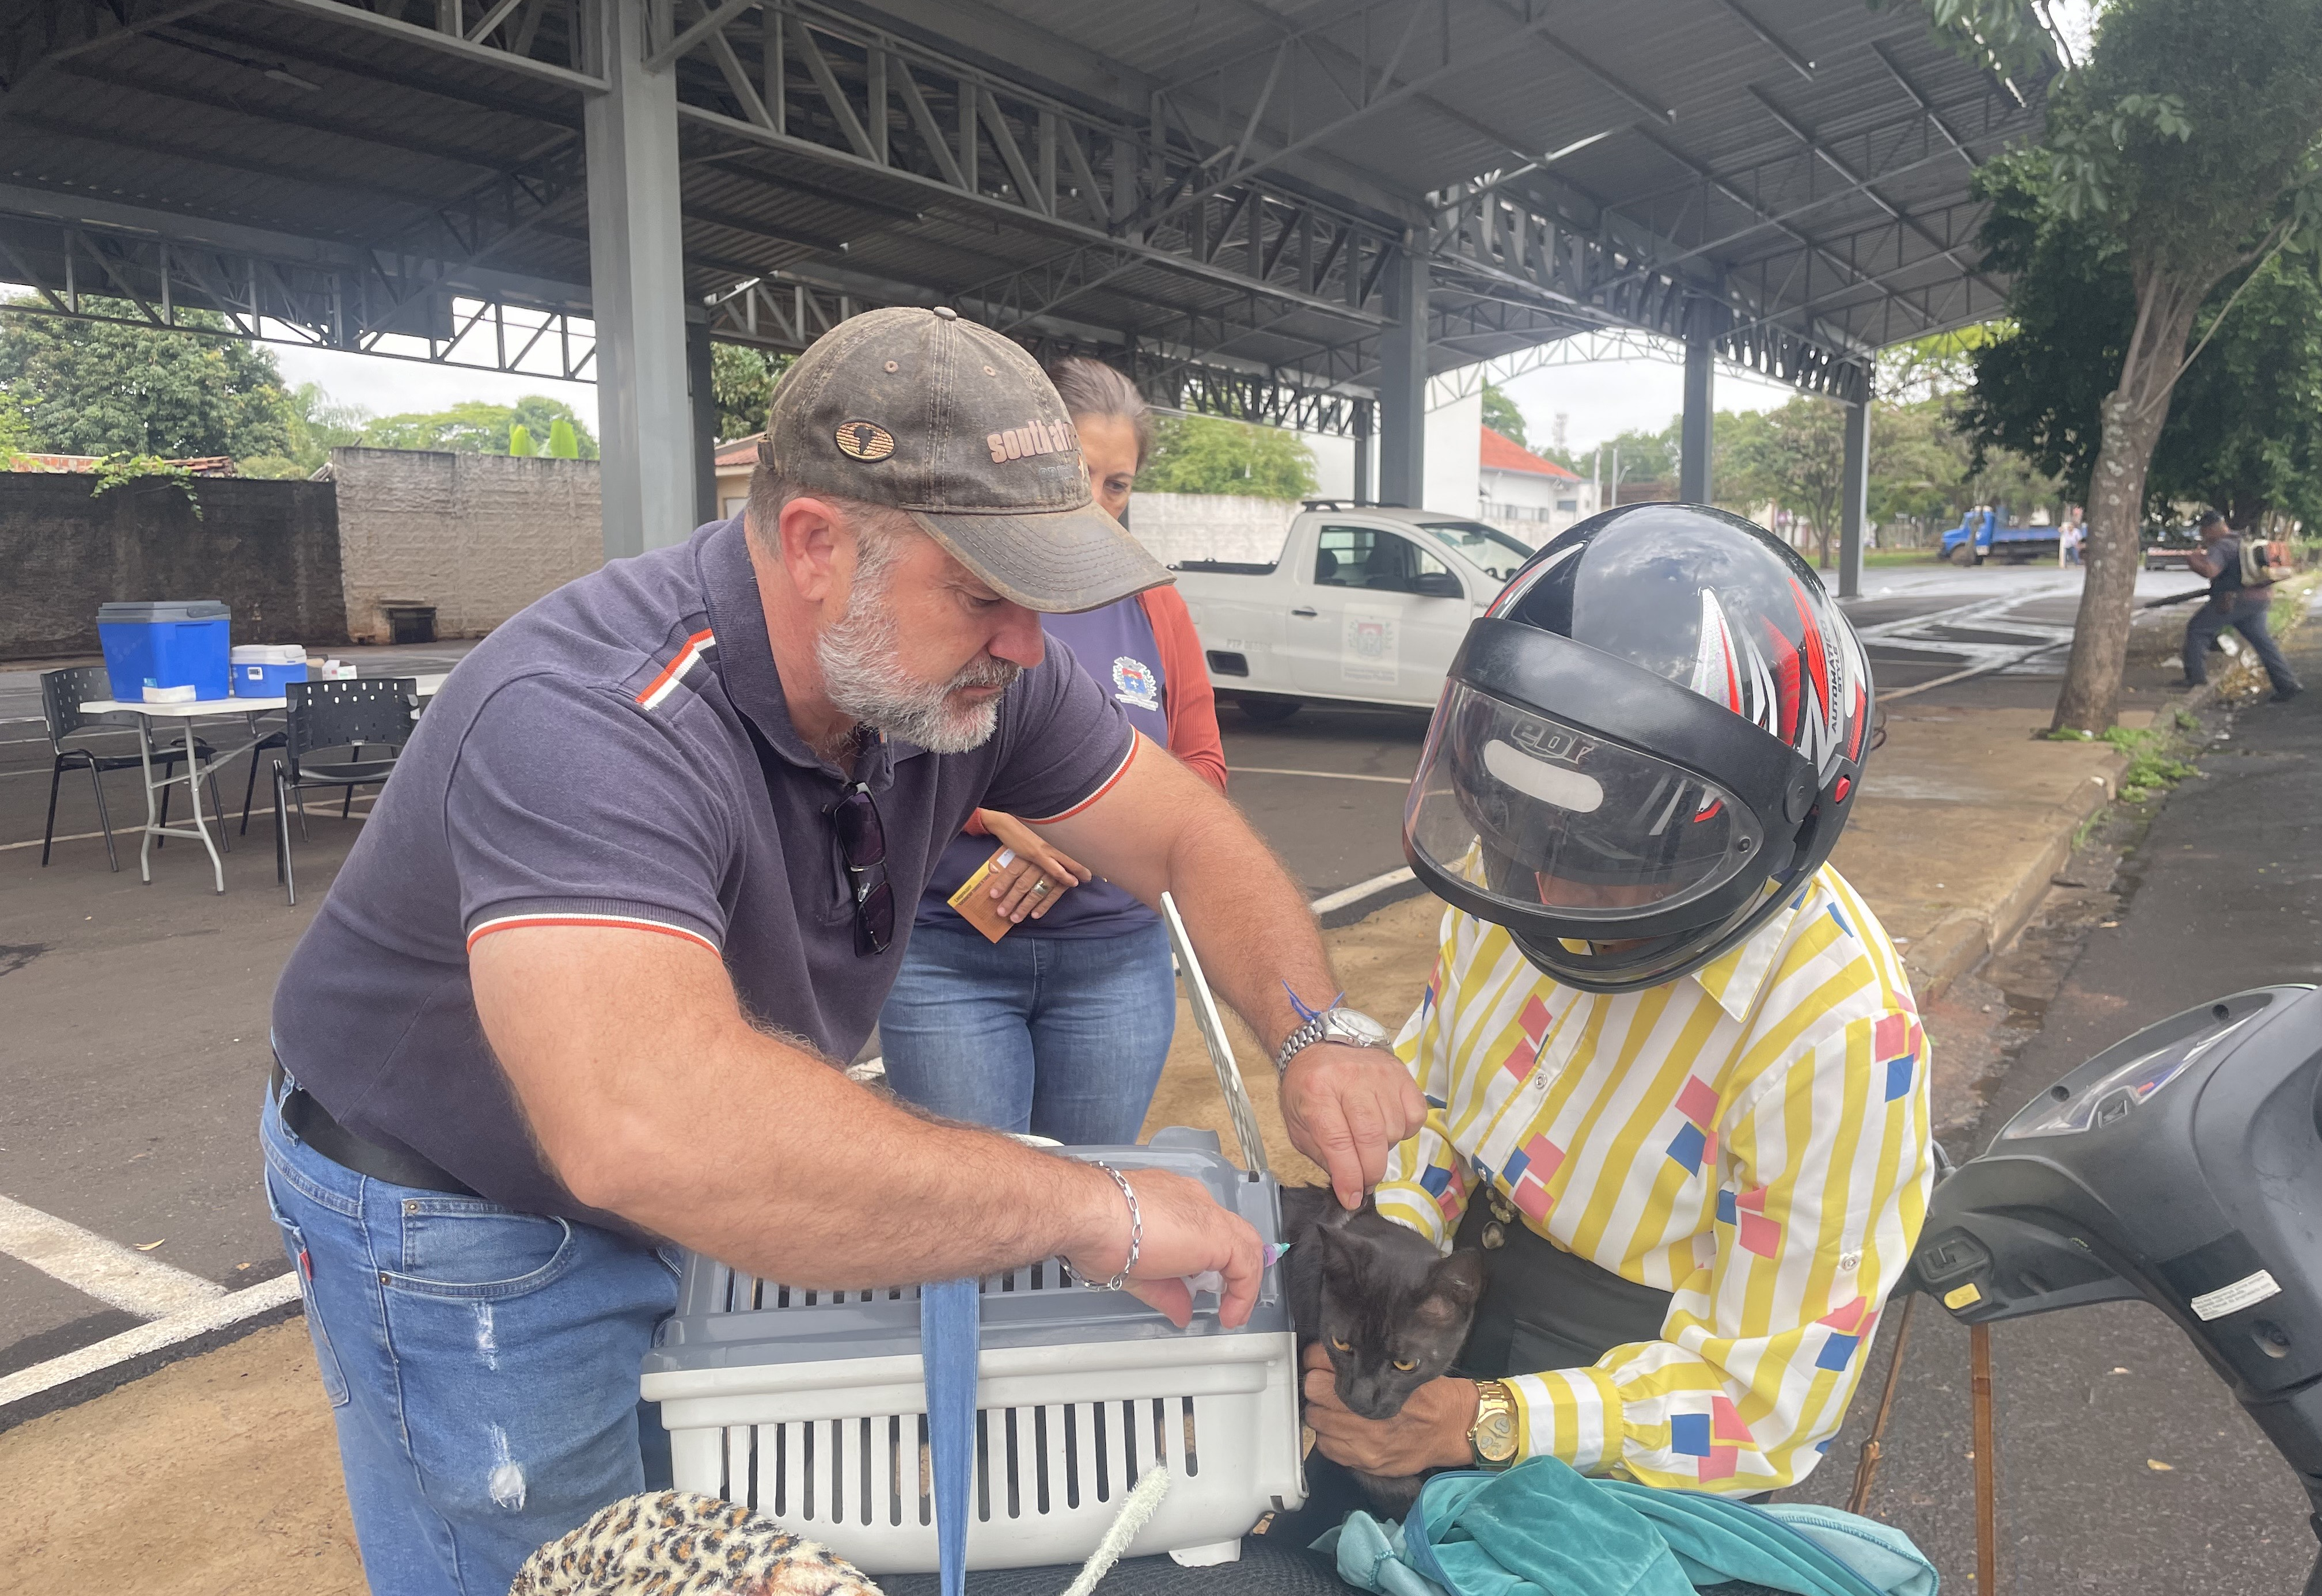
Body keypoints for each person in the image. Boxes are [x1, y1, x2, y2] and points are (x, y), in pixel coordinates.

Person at [259, 306, 1424, 1596]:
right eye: (984, 593)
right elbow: (647, 1124)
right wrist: (1100, 1213)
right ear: (816, 543)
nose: (1030, 645)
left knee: (698, 1528)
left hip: (666, 1183)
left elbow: (1188, 835)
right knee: (553, 1568)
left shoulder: (969, 672)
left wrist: (1317, 1028)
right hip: (464, 1219)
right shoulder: (591, 717)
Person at [1289, 504, 1933, 1507]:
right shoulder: (1514, 872)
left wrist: (1481, 1422)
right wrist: (1389, 1267)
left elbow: (1764, 1408)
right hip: (1444, 1299)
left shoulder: (1837, 1033)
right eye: (1524, 839)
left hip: (1640, 1385)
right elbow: (1441, 1098)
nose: (1548, 899)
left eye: (1608, 867)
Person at [877, 359, 1222, 1142]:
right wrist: (992, 815)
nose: (1097, 505)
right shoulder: (956, 578)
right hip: (947, 961)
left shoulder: (1154, 603)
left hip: (1115, 970)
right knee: (968, 1229)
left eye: (1118, 484)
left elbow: (1203, 769)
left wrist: (1107, 829)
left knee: (1091, 1220)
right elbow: (880, 740)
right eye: (1078, 476)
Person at [2183, 508, 2301, 703]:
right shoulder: (2242, 540)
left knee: (2197, 629)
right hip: (2259, 599)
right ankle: (2288, 685)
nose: (2202, 535)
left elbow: (2211, 571)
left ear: (2211, 529)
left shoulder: (2221, 546)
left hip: (2233, 600)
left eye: (2203, 531)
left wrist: (2193, 561)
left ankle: (2196, 678)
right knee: (2263, 643)